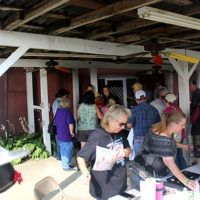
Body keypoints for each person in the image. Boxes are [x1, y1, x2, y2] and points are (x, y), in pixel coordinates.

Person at [131, 110, 199, 191]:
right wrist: (186, 181)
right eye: (182, 124)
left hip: (155, 172)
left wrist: (182, 146)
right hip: (145, 174)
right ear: (174, 124)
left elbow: (168, 144)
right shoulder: (162, 137)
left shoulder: (165, 129)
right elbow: (169, 162)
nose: (184, 127)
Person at [77, 105, 131, 200]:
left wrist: (125, 152)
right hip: (104, 189)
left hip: (120, 185)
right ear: (110, 120)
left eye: (125, 124)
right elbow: (81, 157)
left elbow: (128, 149)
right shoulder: (97, 136)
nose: (123, 127)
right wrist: (85, 172)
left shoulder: (119, 133)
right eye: (121, 124)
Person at [127, 90, 160, 156]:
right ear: (146, 98)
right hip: (152, 138)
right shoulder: (154, 109)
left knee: (139, 160)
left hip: (139, 139)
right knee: (152, 159)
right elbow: (159, 124)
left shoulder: (134, 110)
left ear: (136, 100)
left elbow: (129, 125)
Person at [164, 93, 189, 170]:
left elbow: (166, 123)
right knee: (180, 154)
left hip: (173, 135)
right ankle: (185, 171)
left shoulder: (168, 110)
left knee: (174, 157)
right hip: (180, 134)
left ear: (167, 102)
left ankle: (178, 173)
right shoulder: (178, 108)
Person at [55, 99, 75, 171]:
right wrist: (71, 132)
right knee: (68, 149)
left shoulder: (58, 112)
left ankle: (65, 163)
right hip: (66, 133)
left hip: (59, 133)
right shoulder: (68, 112)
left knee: (63, 149)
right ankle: (66, 166)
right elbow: (70, 123)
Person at [52, 88, 70, 160]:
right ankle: (61, 156)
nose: (67, 97)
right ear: (62, 96)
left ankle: (60, 155)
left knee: (59, 140)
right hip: (59, 125)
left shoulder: (57, 102)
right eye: (66, 96)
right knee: (60, 141)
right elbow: (58, 115)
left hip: (58, 124)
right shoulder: (58, 103)